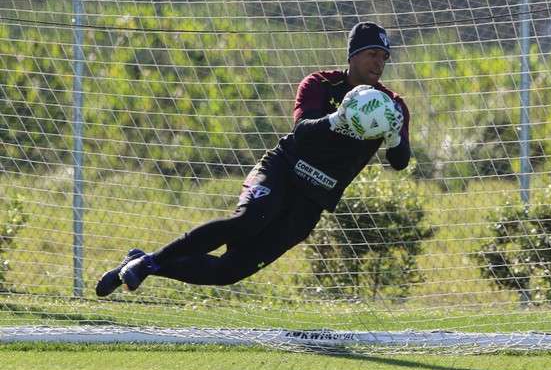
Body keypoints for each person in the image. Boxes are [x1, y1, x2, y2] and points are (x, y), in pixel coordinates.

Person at [95, 21, 411, 296]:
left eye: (384, 56)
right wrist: (337, 119)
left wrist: (395, 136)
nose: (379, 62)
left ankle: (141, 261)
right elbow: (303, 132)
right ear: (353, 55)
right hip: (283, 171)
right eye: (372, 54)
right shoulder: (319, 84)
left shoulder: (391, 105)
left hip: (312, 201)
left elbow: (399, 162)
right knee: (248, 221)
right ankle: (148, 262)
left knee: (227, 271)